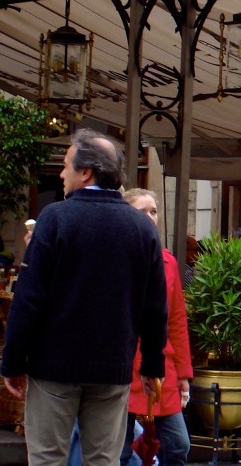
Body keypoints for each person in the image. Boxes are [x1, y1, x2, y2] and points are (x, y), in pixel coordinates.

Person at [0, 128, 167, 466]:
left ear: (86, 171)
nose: (62, 173)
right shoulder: (141, 228)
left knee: (48, 458)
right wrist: (151, 366)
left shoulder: (56, 218)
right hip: (112, 366)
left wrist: (13, 361)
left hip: (54, 366)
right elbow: (155, 306)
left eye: (66, 165)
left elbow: (29, 299)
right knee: (103, 460)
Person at [120, 188, 192, 466]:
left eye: (153, 211)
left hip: (162, 364)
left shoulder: (168, 261)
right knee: (119, 450)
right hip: (123, 364)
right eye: (142, 212)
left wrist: (184, 372)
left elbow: (177, 319)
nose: (150, 217)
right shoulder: (116, 259)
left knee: (178, 445)